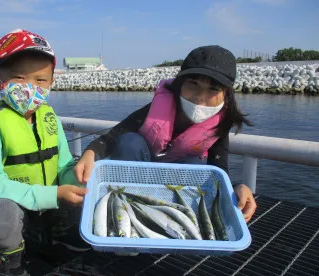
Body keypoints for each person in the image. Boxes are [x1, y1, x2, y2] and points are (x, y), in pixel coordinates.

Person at [0, 29, 90, 276]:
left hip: (48, 197)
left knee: (86, 189)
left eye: (41, 80)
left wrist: (77, 180)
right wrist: (56, 194)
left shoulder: (49, 116)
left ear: (52, 81)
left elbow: (64, 163)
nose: (31, 88)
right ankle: (10, 256)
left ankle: (56, 230)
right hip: (13, 201)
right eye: (19, 78)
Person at [75, 45, 257, 223]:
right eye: (193, 84)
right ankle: (127, 204)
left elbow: (219, 171)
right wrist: (90, 152)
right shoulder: (154, 110)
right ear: (179, 84)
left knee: (197, 164)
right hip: (141, 175)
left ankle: (174, 215)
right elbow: (112, 137)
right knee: (129, 141)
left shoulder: (220, 126)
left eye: (213, 89)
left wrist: (238, 188)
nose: (199, 96)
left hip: (177, 187)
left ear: (227, 95)